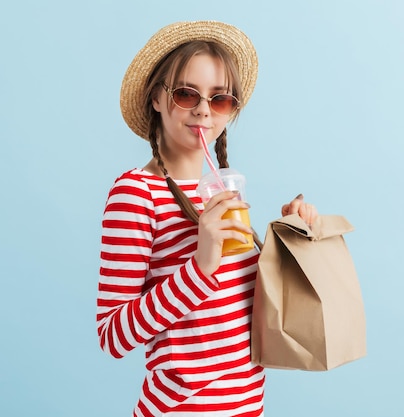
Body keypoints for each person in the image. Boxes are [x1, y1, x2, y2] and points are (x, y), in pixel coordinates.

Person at [96, 21, 318, 416]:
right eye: (186, 94)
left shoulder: (222, 194)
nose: (202, 109)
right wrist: (200, 265)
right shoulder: (136, 193)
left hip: (248, 405)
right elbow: (112, 336)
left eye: (219, 100)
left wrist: (294, 238)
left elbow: (241, 312)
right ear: (157, 99)